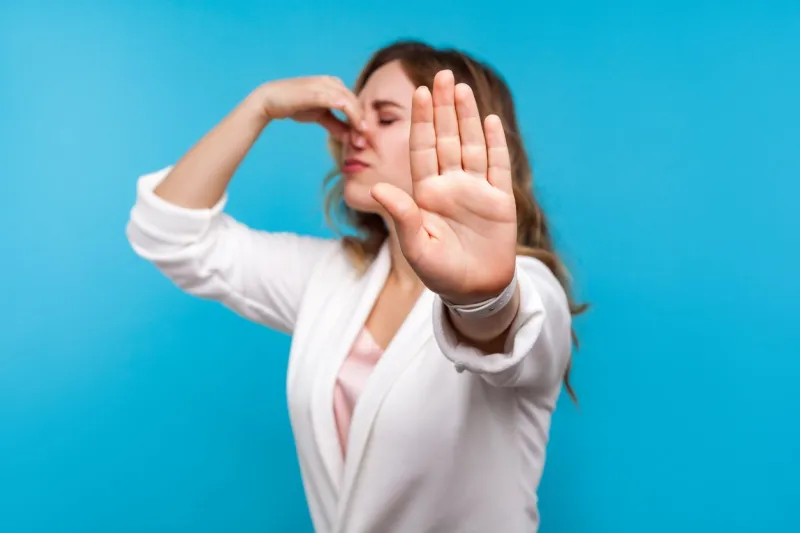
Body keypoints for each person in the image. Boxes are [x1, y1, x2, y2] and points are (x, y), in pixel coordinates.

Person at [125, 39, 585, 533]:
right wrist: (259, 106)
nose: (355, 134)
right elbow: (171, 234)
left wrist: (478, 295)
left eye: (385, 118)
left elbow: (506, 330)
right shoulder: (333, 279)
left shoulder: (530, 288)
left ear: (453, 134)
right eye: (351, 117)